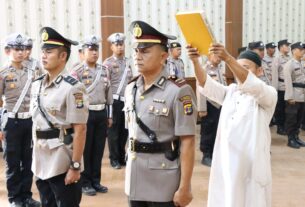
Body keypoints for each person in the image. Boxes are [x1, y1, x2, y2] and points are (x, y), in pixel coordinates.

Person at [187, 45, 277, 207]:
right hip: (227, 164)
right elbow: (205, 83)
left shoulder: (268, 94)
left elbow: (253, 85)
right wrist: (195, 62)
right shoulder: (231, 91)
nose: (237, 72)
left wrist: (229, 59)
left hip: (252, 167)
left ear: (259, 71)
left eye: (245, 68)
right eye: (236, 67)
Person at [124, 20, 196, 207]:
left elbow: (187, 141)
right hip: (135, 177)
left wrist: (185, 187)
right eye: (136, 51)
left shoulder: (179, 91)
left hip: (163, 181)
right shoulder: (131, 88)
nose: (138, 56)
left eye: (145, 51)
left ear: (163, 56)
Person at [30, 27, 89, 207]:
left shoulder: (73, 88)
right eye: (43, 51)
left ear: (63, 56)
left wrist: (75, 166)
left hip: (61, 161)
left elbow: (80, 129)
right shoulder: (37, 85)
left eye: (49, 52)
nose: (43, 56)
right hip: (40, 159)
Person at [0, 33, 42, 207]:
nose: (20, 52)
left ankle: (26, 196)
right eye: (16, 49)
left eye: (22, 49)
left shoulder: (32, 71)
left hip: (29, 122)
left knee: (28, 161)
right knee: (13, 162)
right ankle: (15, 198)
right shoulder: (3, 73)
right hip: (11, 123)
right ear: (7, 51)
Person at [71, 35, 113, 196]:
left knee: (98, 149)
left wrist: (109, 115)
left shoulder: (105, 70)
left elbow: (109, 94)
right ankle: (85, 182)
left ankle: (96, 181)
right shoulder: (77, 71)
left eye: (96, 49)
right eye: (91, 49)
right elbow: (74, 95)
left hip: (101, 113)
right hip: (85, 115)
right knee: (86, 150)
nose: (94, 53)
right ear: (82, 52)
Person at [103, 32, 133, 169]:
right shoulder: (108, 63)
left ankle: (122, 157)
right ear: (112, 47)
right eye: (117, 45)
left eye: (121, 44)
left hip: (126, 101)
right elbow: (106, 84)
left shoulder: (128, 62)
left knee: (124, 131)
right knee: (113, 132)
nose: (120, 47)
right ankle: (114, 158)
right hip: (114, 101)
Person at [197, 53, 225, 167]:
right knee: (208, 130)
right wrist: (202, 108)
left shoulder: (219, 69)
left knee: (217, 130)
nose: (219, 57)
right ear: (209, 55)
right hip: (209, 104)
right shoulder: (204, 69)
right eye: (216, 55)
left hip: (220, 104)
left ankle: (214, 153)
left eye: (219, 56)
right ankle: (206, 155)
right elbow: (200, 89)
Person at [283, 42, 305, 149]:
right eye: (300, 49)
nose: (303, 51)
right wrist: (290, 97)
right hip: (294, 96)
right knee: (292, 118)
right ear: (294, 50)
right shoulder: (289, 64)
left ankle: (296, 137)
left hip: (302, 96)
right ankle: (290, 139)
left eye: (303, 49)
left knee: (299, 118)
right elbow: (287, 82)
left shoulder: (301, 63)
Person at [272, 39, 291, 135]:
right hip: (281, 87)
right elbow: (275, 75)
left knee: (288, 109)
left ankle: (285, 126)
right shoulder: (277, 59)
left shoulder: (289, 58)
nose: (288, 47)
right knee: (280, 108)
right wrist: (274, 89)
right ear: (280, 47)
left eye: (288, 45)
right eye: (286, 45)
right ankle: (280, 127)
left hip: (288, 87)